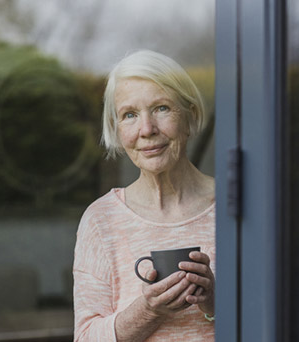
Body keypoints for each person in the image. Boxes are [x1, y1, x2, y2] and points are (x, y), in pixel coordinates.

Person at [73, 50, 215, 341]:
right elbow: (85, 337)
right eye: (130, 115)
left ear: (190, 116)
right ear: (117, 129)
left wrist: (215, 301)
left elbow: (276, 320)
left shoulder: (237, 207)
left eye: (162, 108)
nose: (147, 130)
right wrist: (148, 311)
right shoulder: (101, 220)